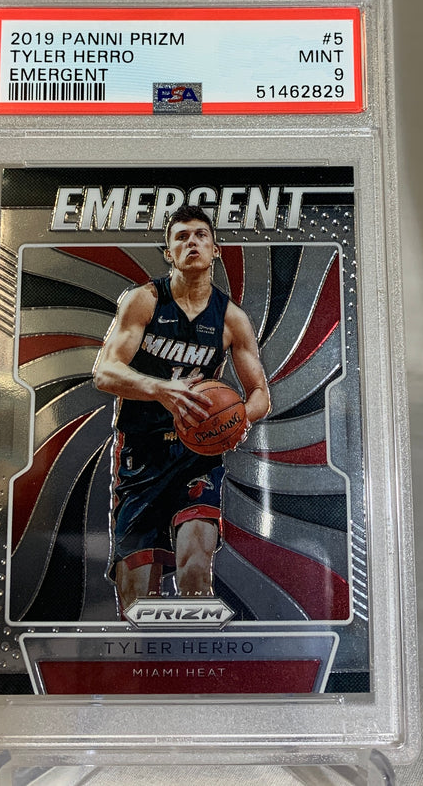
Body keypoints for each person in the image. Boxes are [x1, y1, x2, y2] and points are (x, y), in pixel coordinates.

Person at [93, 205, 270, 610]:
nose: (192, 242)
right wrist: (160, 390)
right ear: (169, 253)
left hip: (197, 454)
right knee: (136, 591)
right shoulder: (144, 301)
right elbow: (105, 372)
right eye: (182, 237)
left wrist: (239, 418)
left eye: (201, 235)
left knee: (195, 568)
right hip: (143, 450)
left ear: (215, 250)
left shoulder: (231, 318)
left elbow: (260, 392)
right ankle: (146, 649)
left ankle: (194, 643)